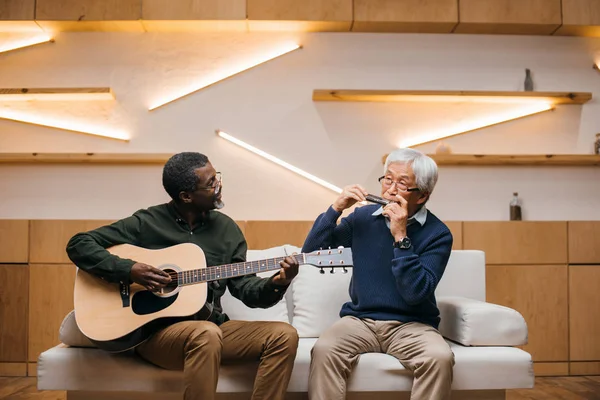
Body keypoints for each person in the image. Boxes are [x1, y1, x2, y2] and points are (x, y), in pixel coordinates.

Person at [66, 152, 300, 400]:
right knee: (205, 334)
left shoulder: (227, 230)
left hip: (214, 327)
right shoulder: (147, 222)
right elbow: (79, 243)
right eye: (210, 183)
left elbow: (246, 290)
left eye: (216, 177)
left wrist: (279, 282)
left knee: (283, 335)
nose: (218, 186)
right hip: (156, 334)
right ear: (186, 196)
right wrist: (130, 269)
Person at [302, 148, 455, 400]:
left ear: (423, 195)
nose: (391, 190)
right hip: (360, 320)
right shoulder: (362, 218)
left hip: (413, 325)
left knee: (439, 357)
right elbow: (312, 252)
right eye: (388, 179)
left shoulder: (438, 234)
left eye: (403, 183)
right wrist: (336, 208)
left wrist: (401, 237)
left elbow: (415, 293)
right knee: (325, 349)